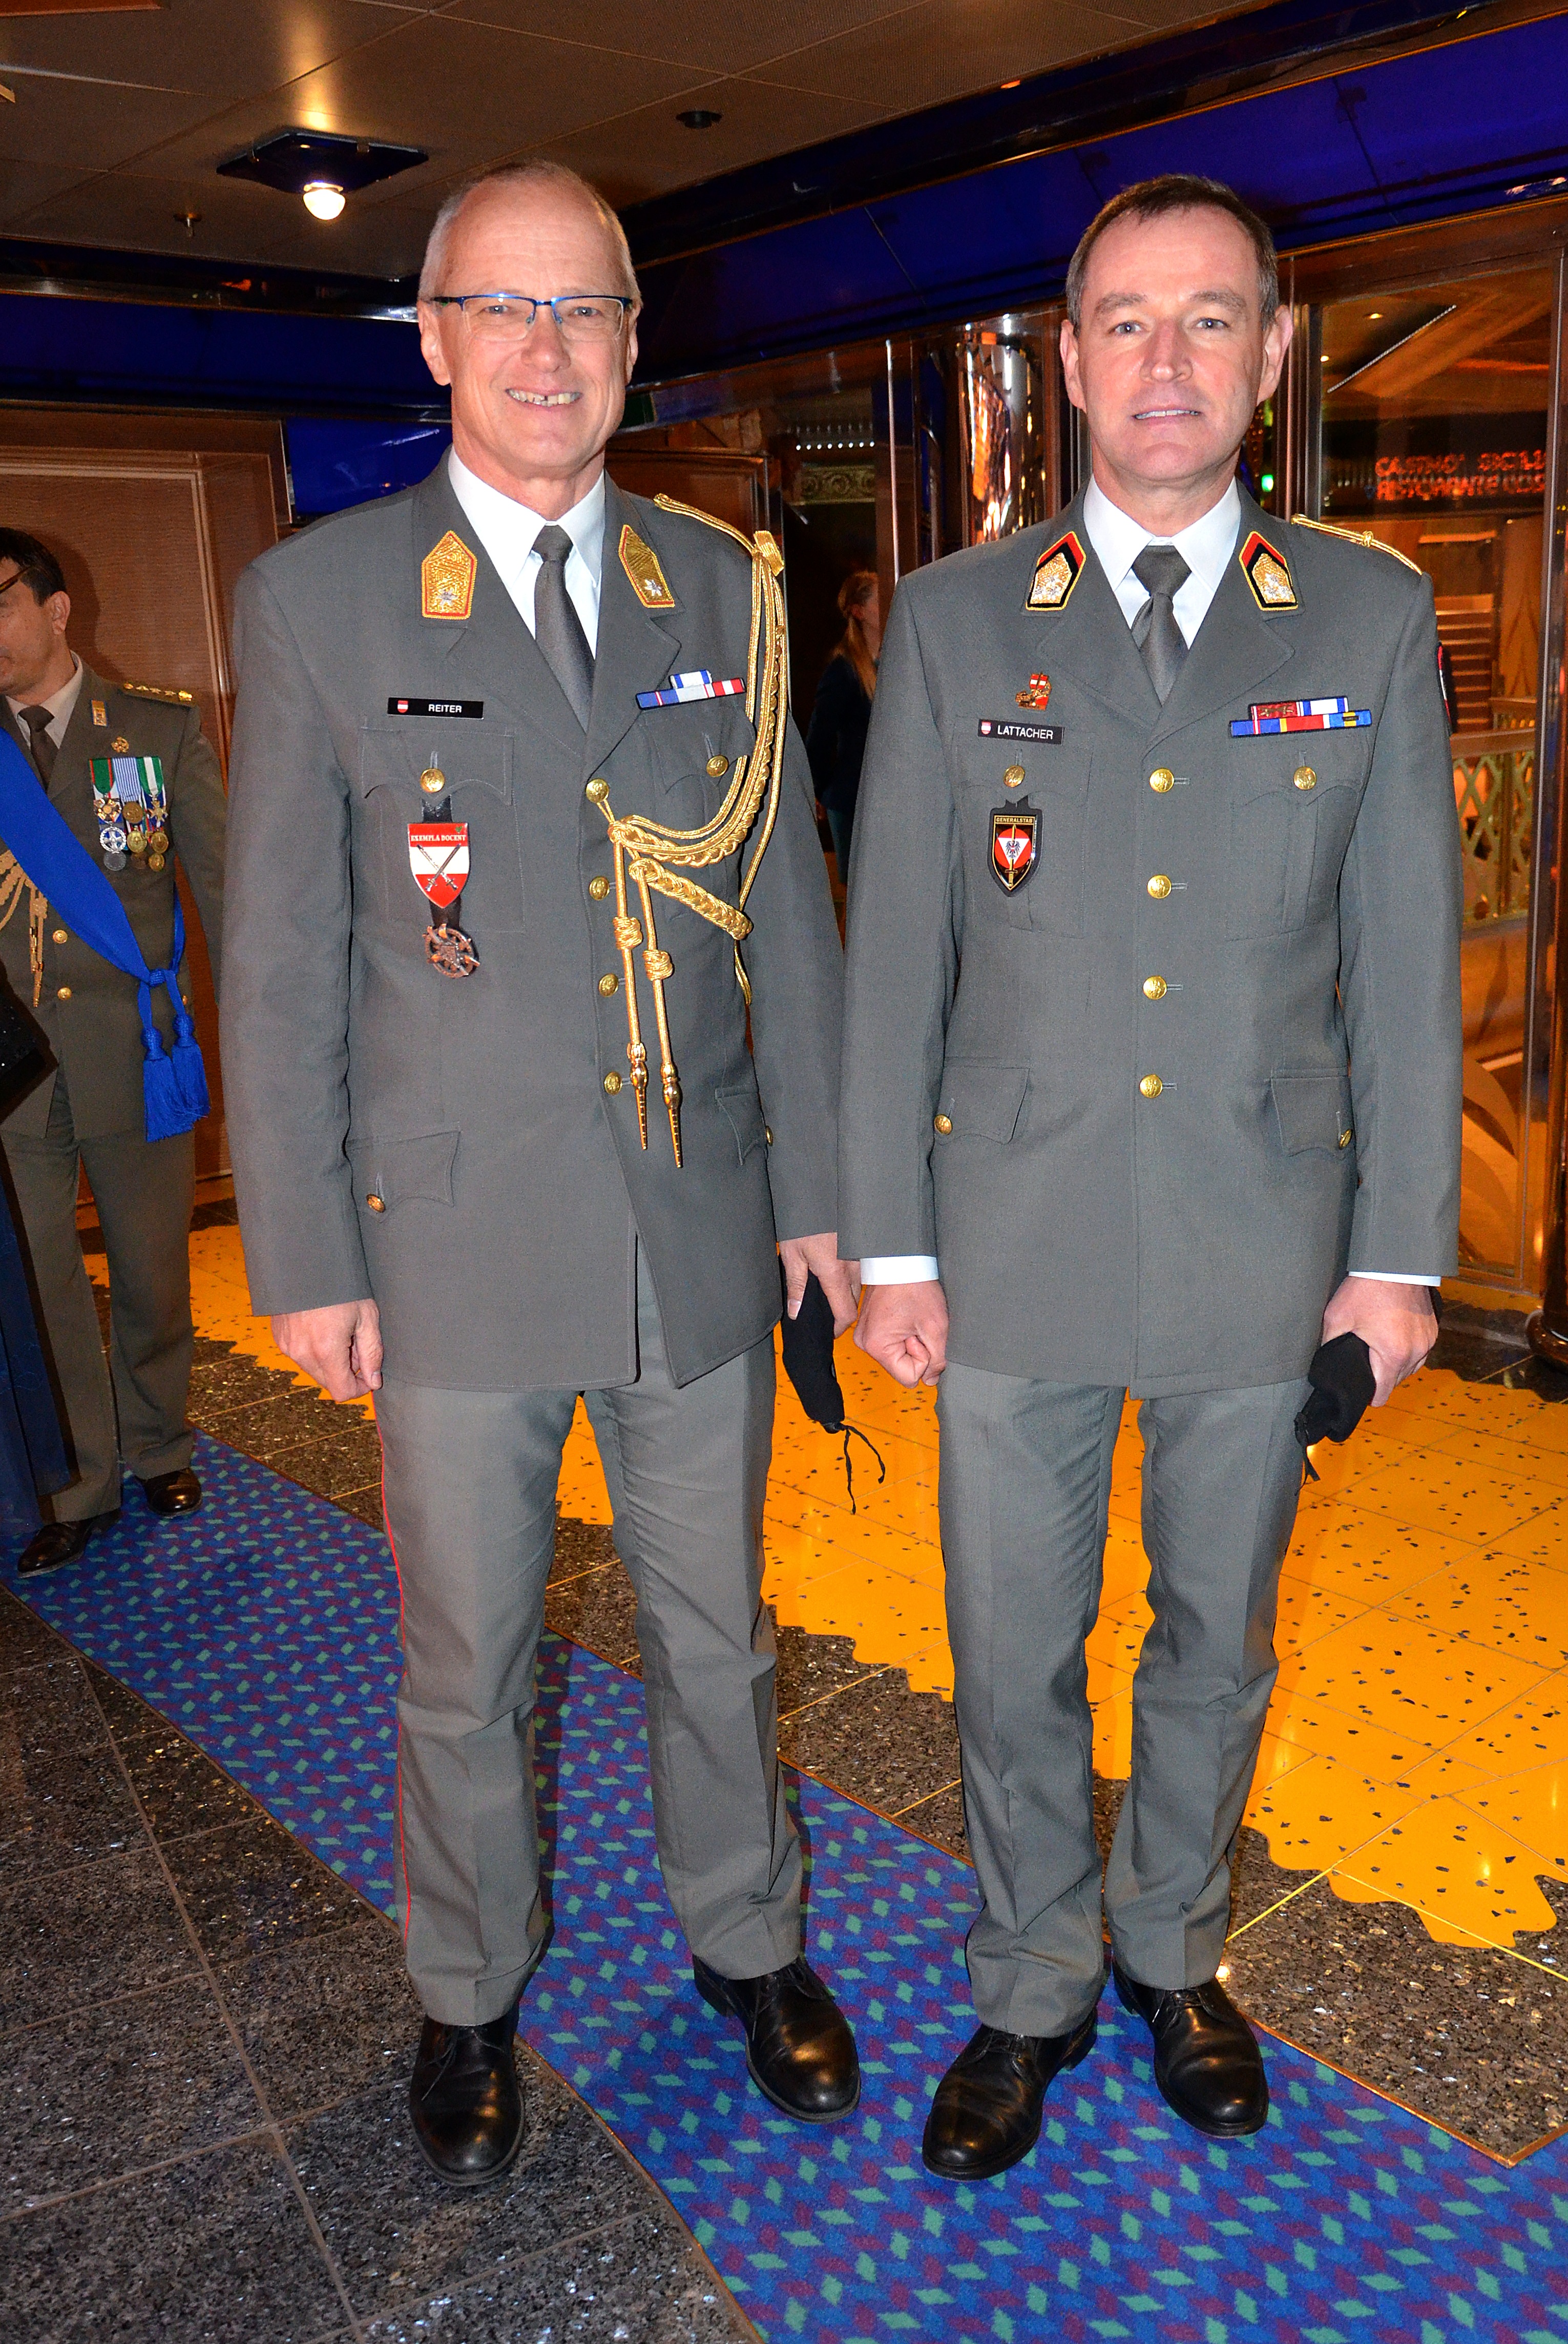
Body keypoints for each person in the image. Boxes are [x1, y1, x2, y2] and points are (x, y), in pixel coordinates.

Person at [221, 160, 861, 2187]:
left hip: (695, 1220)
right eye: (502, 306)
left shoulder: (721, 589)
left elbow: (789, 922)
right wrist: (306, 1247)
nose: (545, 346)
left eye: (583, 307)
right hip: (453, 1239)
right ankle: (469, 1990)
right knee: (466, 1657)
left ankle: (748, 1940)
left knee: (715, 1631)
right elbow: (282, 955)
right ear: (433, 341)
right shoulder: (323, 600)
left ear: (633, 340)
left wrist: (821, 1197)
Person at [840, 174, 1461, 2179]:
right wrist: (892, 1243)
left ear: (1272, 353)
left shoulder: (1363, 614)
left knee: (1217, 1628)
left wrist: (1397, 1261)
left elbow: (1403, 962)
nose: (1166, 359)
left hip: (1257, 1238)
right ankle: (1031, 1980)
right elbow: (896, 961)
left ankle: (1175, 1953)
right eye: (1125, 319)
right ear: (1070, 358)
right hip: (1007, 1236)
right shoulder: (955, 619)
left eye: (1209, 319)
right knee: (1012, 1643)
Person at [0, 529, 224, 1575]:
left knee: (150, 1269)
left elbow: (222, 889)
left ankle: (157, 1445)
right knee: (40, 1280)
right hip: (14, 1068)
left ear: (55, 611)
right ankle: (78, 1480)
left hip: (136, 1051)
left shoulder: (152, 731)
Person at [805, 569, 880, 884]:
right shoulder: (844, 669)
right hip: (851, 798)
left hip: (885, 795)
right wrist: (818, 789)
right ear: (859, 612)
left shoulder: (896, 661)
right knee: (861, 888)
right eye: (881, 600)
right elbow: (819, 737)